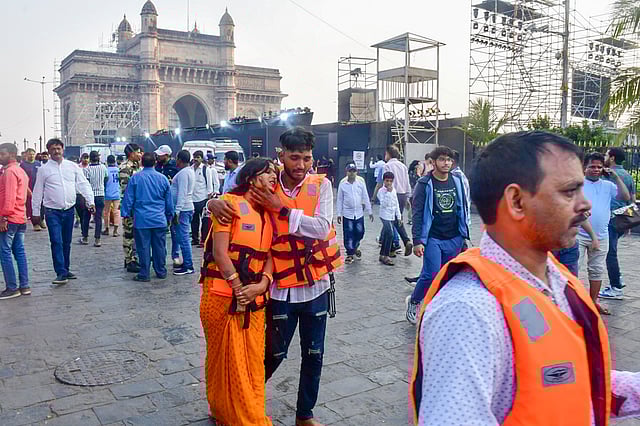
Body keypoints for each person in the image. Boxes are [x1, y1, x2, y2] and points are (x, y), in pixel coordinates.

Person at [410, 130, 640, 425]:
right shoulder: (469, 311)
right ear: (517, 201)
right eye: (569, 191)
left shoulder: (555, 277)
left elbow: (574, 379)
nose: (585, 205)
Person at [209, 127, 343, 426]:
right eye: (294, 158)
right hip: (279, 286)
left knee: (314, 354)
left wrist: (279, 210)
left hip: (316, 284)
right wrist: (212, 202)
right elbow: (233, 197)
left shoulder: (321, 186)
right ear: (280, 155)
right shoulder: (264, 183)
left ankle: (305, 415)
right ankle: (243, 404)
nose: (300, 165)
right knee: (271, 354)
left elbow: (322, 227)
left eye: (306, 158)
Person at [199, 158, 277, 426]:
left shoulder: (271, 212)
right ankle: (225, 410)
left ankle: (249, 411)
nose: (273, 177)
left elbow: (270, 254)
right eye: (268, 173)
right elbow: (220, 253)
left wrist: (262, 284)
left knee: (252, 361)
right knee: (223, 358)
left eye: (275, 173)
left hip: (254, 298)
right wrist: (237, 287)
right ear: (252, 178)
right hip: (221, 296)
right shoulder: (229, 205)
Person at [406, 145, 469, 324]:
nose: (446, 163)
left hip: (454, 237)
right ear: (433, 162)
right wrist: (417, 240)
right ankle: (414, 301)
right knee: (431, 273)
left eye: (449, 159)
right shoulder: (425, 183)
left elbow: (462, 207)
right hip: (433, 237)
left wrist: (463, 234)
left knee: (448, 275)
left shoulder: (456, 180)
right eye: (442, 159)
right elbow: (417, 212)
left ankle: (439, 306)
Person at [31, 138, 95, 285]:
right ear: (49, 151)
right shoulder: (43, 170)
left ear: (62, 149)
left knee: (66, 241)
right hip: (52, 211)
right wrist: (35, 212)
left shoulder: (72, 167)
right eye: (53, 149)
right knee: (56, 241)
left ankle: (66, 268)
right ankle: (60, 272)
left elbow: (83, 184)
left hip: (69, 210)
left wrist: (90, 201)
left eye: (58, 148)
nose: (56, 151)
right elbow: (37, 191)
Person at [577, 152, 630, 314]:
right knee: (573, 269)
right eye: (592, 166)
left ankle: (593, 302)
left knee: (597, 269)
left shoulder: (608, 185)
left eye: (599, 167)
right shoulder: (578, 185)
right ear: (584, 167)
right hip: (578, 234)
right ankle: (573, 302)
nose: (596, 169)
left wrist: (615, 177)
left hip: (602, 235)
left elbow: (625, 196)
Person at [121, 152, 174, 282]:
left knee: (143, 248)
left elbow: (128, 198)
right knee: (160, 247)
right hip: (159, 219)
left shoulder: (135, 178)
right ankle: (160, 271)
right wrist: (169, 215)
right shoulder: (163, 179)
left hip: (141, 220)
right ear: (155, 162)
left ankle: (144, 273)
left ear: (141, 163)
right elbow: (169, 201)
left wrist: (125, 213)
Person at [601, 147, 636, 299]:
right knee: (611, 251)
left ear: (612, 158)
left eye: (606, 155)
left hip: (611, 219)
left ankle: (616, 286)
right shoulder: (628, 175)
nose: (604, 157)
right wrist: (629, 223)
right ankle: (617, 281)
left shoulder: (608, 175)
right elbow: (632, 200)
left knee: (610, 253)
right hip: (622, 220)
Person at [0, 143, 30, 300]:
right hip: (20, 217)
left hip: (10, 218)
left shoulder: (9, 172)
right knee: (19, 251)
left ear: (11, 154)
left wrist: (3, 217)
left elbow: (9, 197)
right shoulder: (21, 171)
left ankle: (12, 287)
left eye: (2, 154)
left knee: (4, 251)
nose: (0, 157)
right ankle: (24, 285)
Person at [336, 161, 373, 264]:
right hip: (348, 214)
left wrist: (370, 211)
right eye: (350, 171)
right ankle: (350, 253)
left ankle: (355, 247)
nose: (352, 173)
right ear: (346, 172)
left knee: (360, 232)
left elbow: (365, 196)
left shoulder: (361, 182)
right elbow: (339, 199)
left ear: (357, 172)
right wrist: (339, 213)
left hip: (359, 213)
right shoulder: (343, 183)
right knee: (349, 234)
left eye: (354, 171)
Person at [170, 150, 195, 276]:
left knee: (184, 238)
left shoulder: (185, 173)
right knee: (182, 237)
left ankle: (188, 266)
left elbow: (182, 193)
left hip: (183, 209)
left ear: (180, 159)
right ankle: (186, 264)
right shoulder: (187, 171)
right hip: (185, 208)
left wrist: (177, 211)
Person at [377, 171, 411, 266]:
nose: (388, 183)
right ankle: (386, 255)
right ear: (384, 181)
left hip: (392, 215)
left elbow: (396, 204)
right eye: (387, 181)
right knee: (390, 233)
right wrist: (388, 193)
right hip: (384, 215)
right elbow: (383, 204)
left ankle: (382, 254)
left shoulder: (394, 190)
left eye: (390, 181)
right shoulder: (381, 191)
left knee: (388, 234)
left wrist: (399, 217)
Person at [120, 143, 142, 273]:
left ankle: (133, 258)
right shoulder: (125, 168)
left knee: (135, 234)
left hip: (137, 206)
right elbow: (126, 190)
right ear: (131, 153)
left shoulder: (137, 167)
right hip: (130, 206)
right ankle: (129, 261)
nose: (140, 155)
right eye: (138, 152)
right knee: (129, 235)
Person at [80, 151, 108, 247]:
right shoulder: (103, 168)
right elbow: (106, 180)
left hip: (90, 196)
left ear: (90, 158)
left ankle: (85, 237)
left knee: (86, 217)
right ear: (98, 158)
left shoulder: (86, 169)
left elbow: (85, 184)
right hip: (100, 195)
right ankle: (97, 239)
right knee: (98, 218)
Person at [190, 150, 217, 246]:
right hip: (192, 199)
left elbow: (209, 184)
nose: (196, 159)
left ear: (201, 158)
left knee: (205, 221)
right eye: (194, 157)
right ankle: (194, 238)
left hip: (203, 198)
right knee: (194, 221)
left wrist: (209, 196)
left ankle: (204, 240)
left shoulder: (206, 170)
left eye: (198, 157)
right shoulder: (190, 169)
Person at [19, 148, 41, 229]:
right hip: (28, 188)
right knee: (30, 205)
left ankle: (41, 220)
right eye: (30, 154)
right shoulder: (23, 165)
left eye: (33, 154)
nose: (31, 156)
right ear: (26, 155)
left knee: (41, 205)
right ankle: (35, 223)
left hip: (38, 187)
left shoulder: (38, 164)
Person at [103, 155, 121, 237]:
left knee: (106, 212)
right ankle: (115, 231)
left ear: (107, 161)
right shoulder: (118, 170)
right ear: (115, 161)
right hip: (117, 193)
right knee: (116, 211)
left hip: (107, 193)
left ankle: (106, 229)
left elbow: (104, 182)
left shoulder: (106, 170)